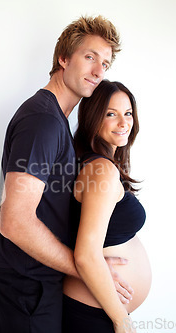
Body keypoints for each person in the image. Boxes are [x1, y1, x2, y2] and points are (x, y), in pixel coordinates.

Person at [0, 16, 132, 333]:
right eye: (90, 57)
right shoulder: (43, 121)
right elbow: (15, 222)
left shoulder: (56, 120)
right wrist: (87, 269)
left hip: (35, 282)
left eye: (105, 64)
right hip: (27, 286)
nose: (98, 72)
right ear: (63, 58)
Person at [62, 80, 151, 333]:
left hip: (98, 308)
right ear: (93, 117)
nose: (123, 123)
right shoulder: (101, 170)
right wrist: (121, 320)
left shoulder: (98, 165)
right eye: (111, 114)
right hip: (93, 314)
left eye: (128, 113)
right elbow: (86, 255)